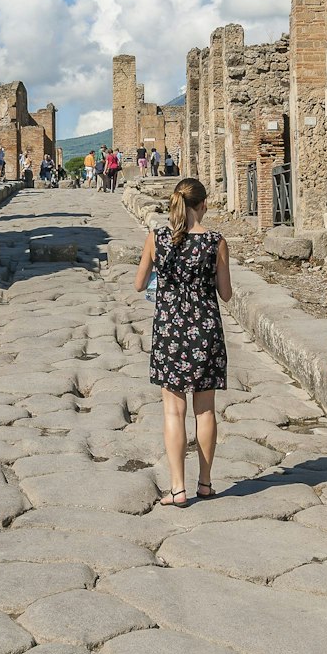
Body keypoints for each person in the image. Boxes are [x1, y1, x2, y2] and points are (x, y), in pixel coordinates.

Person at [136, 178, 230, 507]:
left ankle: (177, 489)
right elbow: (226, 293)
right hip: (205, 331)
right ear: (203, 205)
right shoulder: (216, 242)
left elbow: (139, 284)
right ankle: (205, 483)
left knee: (173, 413)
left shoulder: (157, 238)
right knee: (204, 412)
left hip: (169, 333)